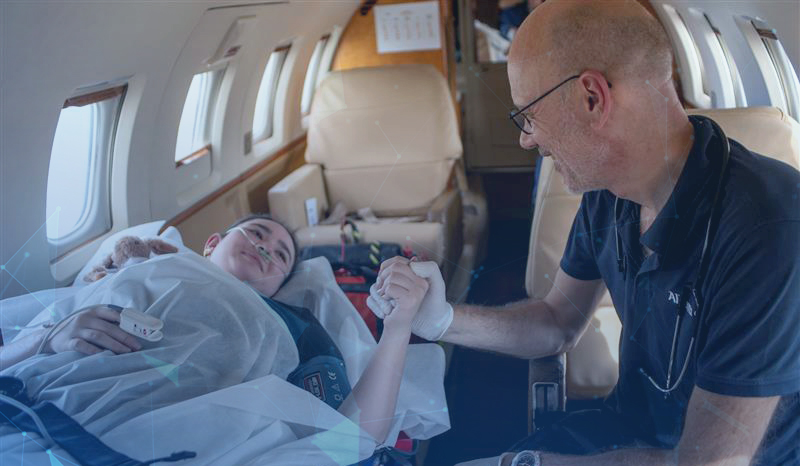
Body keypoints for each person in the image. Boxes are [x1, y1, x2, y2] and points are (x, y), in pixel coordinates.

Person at [370, 1, 800, 465]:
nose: (526, 139)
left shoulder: (769, 229)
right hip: (627, 432)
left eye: (528, 115)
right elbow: (556, 323)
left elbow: (708, 461)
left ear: (591, 97)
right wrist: (441, 319)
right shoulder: (609, 191)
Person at [0, 214, 431, 450]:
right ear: (210, 244)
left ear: (280, 285)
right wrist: (47, 337)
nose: (265, 248)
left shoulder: (294, 327)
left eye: (280, 255)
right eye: (256, 234)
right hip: (36, 405)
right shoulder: (140, 269)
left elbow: (352, 436)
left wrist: (397, 328)